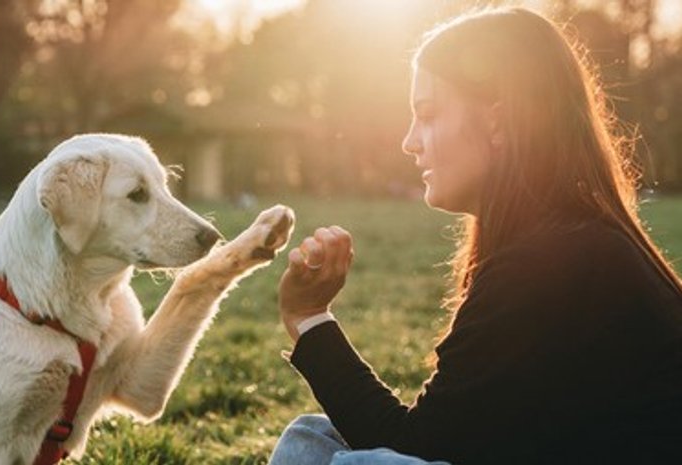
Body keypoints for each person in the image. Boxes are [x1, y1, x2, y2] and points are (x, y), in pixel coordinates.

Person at [269, 7, 682, 465]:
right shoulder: (569, 240)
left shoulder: (551, 261)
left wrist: (309, 318)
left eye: (427, 115)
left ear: (496, 122)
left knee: (361, 463)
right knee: (311, 439)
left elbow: (415, 447)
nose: (409, 141)